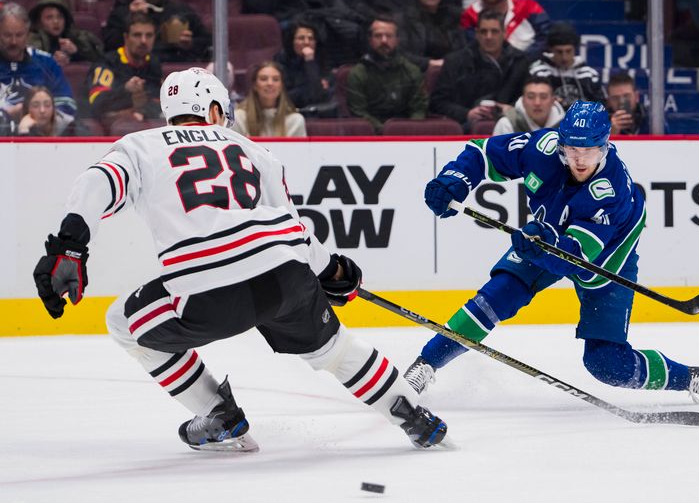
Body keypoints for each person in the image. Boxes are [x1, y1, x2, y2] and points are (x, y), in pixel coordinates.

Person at [32, 67, 449, 452]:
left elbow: (98, 182)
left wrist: (68, 247)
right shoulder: (254, 149)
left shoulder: (140, 145)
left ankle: (219, 414)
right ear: (213, 110)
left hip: (208, 289)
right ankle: (412, 412)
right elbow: (293, 225)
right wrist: (331, 271)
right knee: (335, 350)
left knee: (123, 323)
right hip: (284, 272)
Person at [403, 101, 699, 408]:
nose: (580, 159)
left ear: (606, 146)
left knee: (607, 365)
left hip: (607, 257)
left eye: (591, 150)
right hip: (546, 236)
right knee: (494, 298)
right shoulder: (543, 147)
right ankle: (426, 364)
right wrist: (456, 179)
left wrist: (542, 243)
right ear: (561, 142)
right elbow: (482, 153)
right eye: (572, 149)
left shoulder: (610, 191)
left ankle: (691, 377)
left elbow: (578, 255)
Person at [429, 9, 528, 131]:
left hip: (510, 129)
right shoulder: (455, 62)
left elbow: (529, 99)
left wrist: (510, 109)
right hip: (465, 130)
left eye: (494, 31)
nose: (488, 37)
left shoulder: (520, 62)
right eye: (483, 31)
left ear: (504, 33)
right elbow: (437, 102)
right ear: (476, 34)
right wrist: (467, 113)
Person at [102, 0, 211, 63]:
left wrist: (190, 44)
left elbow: (207, 41)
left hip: (173, 69)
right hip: (132, 71)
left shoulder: (180, 10)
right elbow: (109, 46)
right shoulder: (121, 11)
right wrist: (131, 18)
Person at [346, 15, 428, 132]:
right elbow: (359, 112)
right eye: (378, 36)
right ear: (370, 40)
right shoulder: (358, 73)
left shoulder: (412, 71)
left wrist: (410, 129)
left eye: (389, 36)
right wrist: (386, 131)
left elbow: (419, 109)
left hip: (407, 135)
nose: (384, 40)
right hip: (371, 136)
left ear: (397, 40)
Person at [0, 2, 76, 124]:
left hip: (42, 135)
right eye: (7, 35)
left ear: (28, 34)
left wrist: (41, 115)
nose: (13, 42)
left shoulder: (46, 62)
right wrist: (6, 115)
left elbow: (67, 103)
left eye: (19, 35)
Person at [87, 12, 162, 128]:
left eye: (149, 35)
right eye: (137, 35)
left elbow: (158, 102)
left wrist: (141, 111)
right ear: (126, 37)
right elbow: (96, 103)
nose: (143, 41)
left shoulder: (154, 64)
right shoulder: (107, 63)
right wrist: (126, 91)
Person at [460, 0, 550, 59]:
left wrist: (522, 61)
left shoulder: (528, 7)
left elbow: (546, 37)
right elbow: (471, 49)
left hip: (530, 65)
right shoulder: (469, 16)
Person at [528, 22, 604, 110]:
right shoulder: (539, 73)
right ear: (551, 49)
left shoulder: (589, 75)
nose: (564, 57)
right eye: (559, 52)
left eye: (568, 51)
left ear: (575, 49)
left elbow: (602, 106)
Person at [401, 0, 467, 73]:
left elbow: (463, 51)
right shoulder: (406, 19)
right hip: (419, 74)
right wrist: (428, 63)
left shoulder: (453, 17)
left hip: (451, 74)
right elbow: (402, 55)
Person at [273, 20, 336, 114]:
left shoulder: (321, 60)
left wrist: (310, 62)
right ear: (291, 41)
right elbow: (284, 97)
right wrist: (311, 87)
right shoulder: (280, 61)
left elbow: (321, 95)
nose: (307, 42)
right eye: (301, 38)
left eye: (311, 39)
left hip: (320, 111)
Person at [232, 61, 307, 137]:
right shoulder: (238, 118)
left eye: (276, 79)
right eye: (264, 79)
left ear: (281, 86)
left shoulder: (295, 121)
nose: (270, 83)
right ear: (255, 85)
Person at [27, 0, 104, 67]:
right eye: (49, 17)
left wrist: (76, 51)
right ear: (39, 22)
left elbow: (100, 58)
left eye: (60, 17)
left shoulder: (78, 36)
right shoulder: (31, 39)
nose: (56, 21)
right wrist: (51, 60)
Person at [492, 76, 564, 135]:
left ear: (553, 100)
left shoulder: (566, 125)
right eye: (531, 97)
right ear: (522, 100)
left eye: (543, 97)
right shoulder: (507, 124)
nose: (537, 103)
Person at [17, 85, 86, 136]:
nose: (42, 110)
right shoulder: (18, 127)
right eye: (35, 106)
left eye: (47, 105)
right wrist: (24, 130)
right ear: (27, 109)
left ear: (54, 108)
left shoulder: (71, 126)